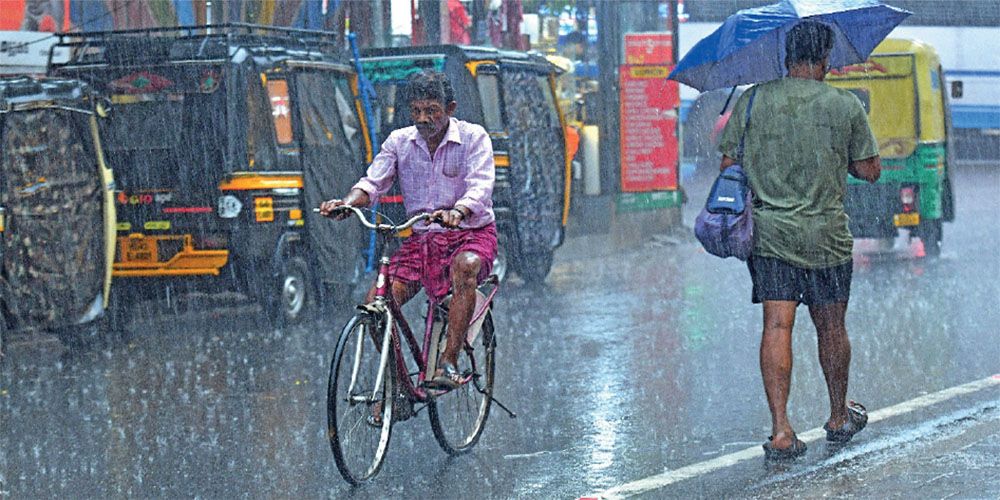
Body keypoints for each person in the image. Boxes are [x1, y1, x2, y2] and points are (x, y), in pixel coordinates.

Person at [717, 20, 882, 460]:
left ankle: (782, 431)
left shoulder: (753, 101)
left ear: (786, 57)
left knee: (777, 325)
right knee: (830, 326)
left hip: (771, 236)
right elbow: (870, 170)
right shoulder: (844, 105)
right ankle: (837, 415)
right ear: (825, 59)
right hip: (826, 236)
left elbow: (729, 165)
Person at [319, 70, 497, 391]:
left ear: (450, 108)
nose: (423, 119)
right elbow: (373, 183)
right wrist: (347, 204)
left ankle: (449, 361)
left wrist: (458, 211)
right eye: (416, 111)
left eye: (432, 111)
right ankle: (399, 387)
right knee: (376, 305)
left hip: (470, 233)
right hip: (422, 240)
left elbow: (480, 186)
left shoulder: (474, 138)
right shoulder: (399, 142)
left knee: (465, 267)